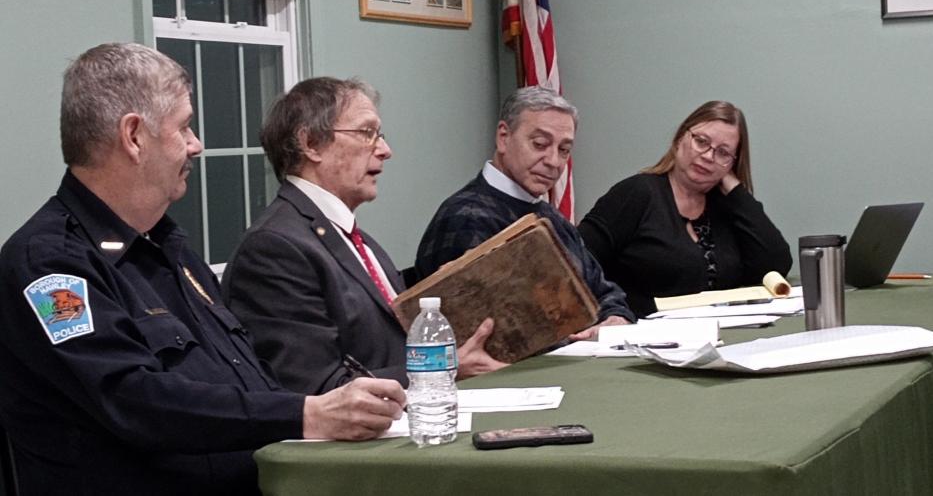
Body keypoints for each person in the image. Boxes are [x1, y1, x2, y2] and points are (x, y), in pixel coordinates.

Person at [0, 43, 405, 496]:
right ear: (133, 136)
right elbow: (133, 400)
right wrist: (305, 414)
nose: (197, 145)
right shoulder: (51, 263)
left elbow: (246, 374)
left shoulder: (166, 246)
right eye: (185, 127)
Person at [222, 77, 506, 396]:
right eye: (367, 133)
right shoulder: (274, 247)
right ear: (311, 144)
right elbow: (314, 387)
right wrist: (444, 368)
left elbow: (383, 341)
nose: (385, 150)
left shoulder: (356, 239)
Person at [415, 86, 636, 338]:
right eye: (540, 144)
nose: (554, 161)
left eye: (564, 150)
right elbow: (494, 332)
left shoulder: (551, 217)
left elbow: (605, 291)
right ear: (503, 137)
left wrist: (615, 319)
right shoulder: (466, 217)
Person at [578, 100, 792, 316]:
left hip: (720, 335)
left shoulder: (727, 208)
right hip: (640, 336)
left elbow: (774, 266)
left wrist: (735, 189)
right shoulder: (637, 194)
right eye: (701, 141)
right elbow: (575, 263)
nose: (708, 156)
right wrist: (615, 312)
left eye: (723, 153)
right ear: (680, 138)